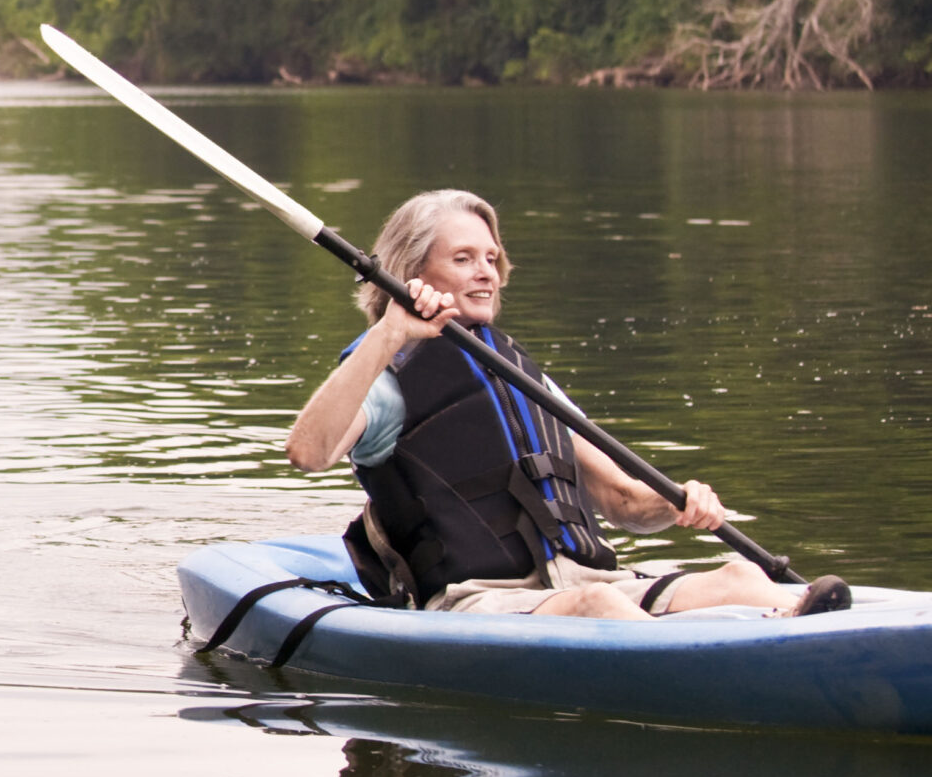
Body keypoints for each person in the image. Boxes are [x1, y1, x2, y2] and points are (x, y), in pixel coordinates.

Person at [285, 188, 848, 619]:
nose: (485, 272)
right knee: (599, 608)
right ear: (413, 273)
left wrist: (679, 504)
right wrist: (390, 334)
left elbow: (622, 499)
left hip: (579, 580)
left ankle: (798, 631)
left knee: (737, 575)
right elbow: (307, 453)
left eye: (490, 257)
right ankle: (703, 669)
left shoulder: (523, 378)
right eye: (462, 258)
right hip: (476, 600)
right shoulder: (386, 375)